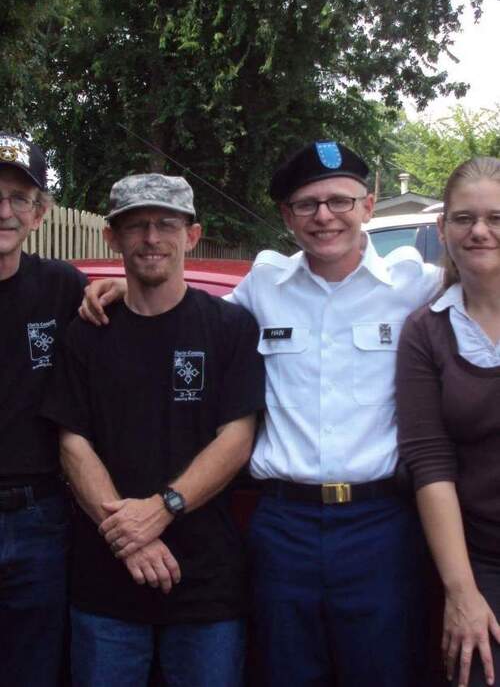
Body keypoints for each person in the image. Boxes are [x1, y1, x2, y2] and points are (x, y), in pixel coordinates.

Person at [82, 141, 444, 685]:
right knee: (283, 671)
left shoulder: (416, 285)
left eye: (340, 201)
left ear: (368, 206)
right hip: (282, 526)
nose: (324, 216)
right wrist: (120, 285)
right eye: (307, 204)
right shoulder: (263, 286)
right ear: (287, 216)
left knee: (383, 671)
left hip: (379, 524)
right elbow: (179, 315)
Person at [42, 173, 265, 687]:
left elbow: (237, 437)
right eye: (135, 225)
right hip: (105, 585)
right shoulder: (87, 332)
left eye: (167, 224)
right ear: (112, 238)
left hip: (207, 586)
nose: (151, 238)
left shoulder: (230, 327)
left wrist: (161, 510)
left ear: (192, 235)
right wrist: (131, 539)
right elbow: (72, 442)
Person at [396, 156, 500, 687]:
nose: (480, 231)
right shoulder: (427, 331)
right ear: (442, 228)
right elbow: (430, 462)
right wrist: (462, 593)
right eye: (464, 218)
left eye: (496, 218)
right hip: (480, 561)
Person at [0, 132, 87, 686]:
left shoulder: (63, 287)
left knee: (33, 669)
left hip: (38, 517)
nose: (3, 212)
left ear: (39, 214)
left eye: (18, 198)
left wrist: (116, 293)